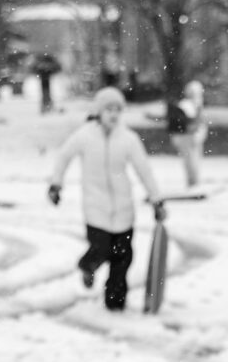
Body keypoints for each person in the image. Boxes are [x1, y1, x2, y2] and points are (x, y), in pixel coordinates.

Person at [47, 86, 164, 311]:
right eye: (108, 109)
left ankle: (115, 302)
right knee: (101, 249)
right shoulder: (84, 135)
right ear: (99, 111)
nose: (113, 114)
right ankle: (87, 266)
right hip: (95, 207)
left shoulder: (128, 138)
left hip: (123, 209)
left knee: (123, 258)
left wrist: (156, 199)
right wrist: (56, 184)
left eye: (117, 110)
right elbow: (63, 157)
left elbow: (144, 170)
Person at [167, 80, 208, 189]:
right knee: (191, 161)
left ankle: (193, 183)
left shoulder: (188, 104)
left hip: (188, 137)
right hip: (187, 137)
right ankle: (193, 183)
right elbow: (196, 122)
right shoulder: (188, 105)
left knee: (191, 160)